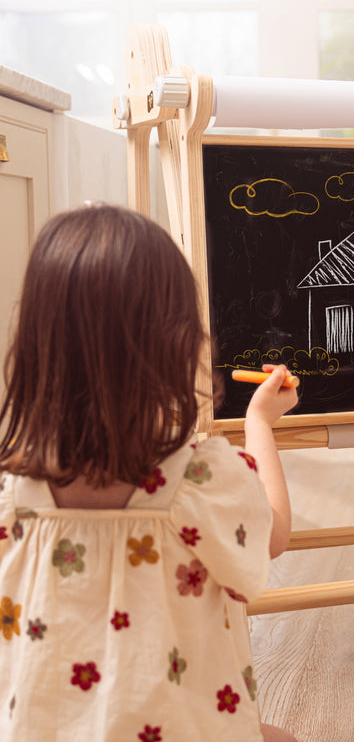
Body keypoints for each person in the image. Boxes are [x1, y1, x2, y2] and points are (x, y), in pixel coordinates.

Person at [0, 204, 299, 742]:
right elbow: (273, 533)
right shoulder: (196, 482)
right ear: (175, 345)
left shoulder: (12, 495)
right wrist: (260, 422)